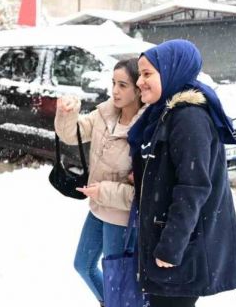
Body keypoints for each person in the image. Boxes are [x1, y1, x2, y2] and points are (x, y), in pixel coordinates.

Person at [128, 39, 236, 307]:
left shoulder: (188, 117)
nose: (139, 82)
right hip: (172, 245)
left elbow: (193, 187)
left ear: (172, 71)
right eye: (140, 74)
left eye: (148, 74)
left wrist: (171, 246)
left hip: (182, 251)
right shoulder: (165, 112)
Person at [55, 58, 145, 306]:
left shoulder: (146, 127)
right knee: (82, 265)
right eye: (113, 83)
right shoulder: (105, 113)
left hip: (122, 217)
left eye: (123, 85)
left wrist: (104, 191)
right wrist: (67, 111)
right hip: (98, 208)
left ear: (138, 88)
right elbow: (71, 133)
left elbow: (144, 192)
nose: (115, 90)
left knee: (119, 279)